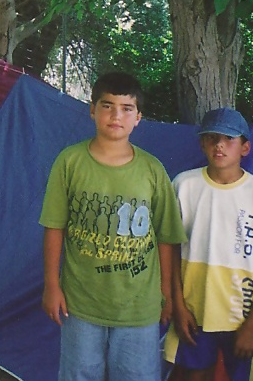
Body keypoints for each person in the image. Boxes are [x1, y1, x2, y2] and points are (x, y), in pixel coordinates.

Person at [39, 72, 185, 381]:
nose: (115, 115)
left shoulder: (152, 170)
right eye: (107, 106)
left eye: (126, 108)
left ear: (138, 117)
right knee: (79, 374)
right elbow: (54, 227)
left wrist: (167, 295)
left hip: (139, 307)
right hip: (81, 303)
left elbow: (167, 239)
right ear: (92, 109)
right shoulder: (70, 162)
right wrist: (52, 285)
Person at [166, 108, 253, 381]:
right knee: (192, 374)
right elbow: (170, 249)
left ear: (245, 147)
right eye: (212, 138)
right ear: (202, 143)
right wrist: (178, 306)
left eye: (229, 139)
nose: (219, 145)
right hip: (195, 310)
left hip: (243, 314)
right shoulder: (184, 185)